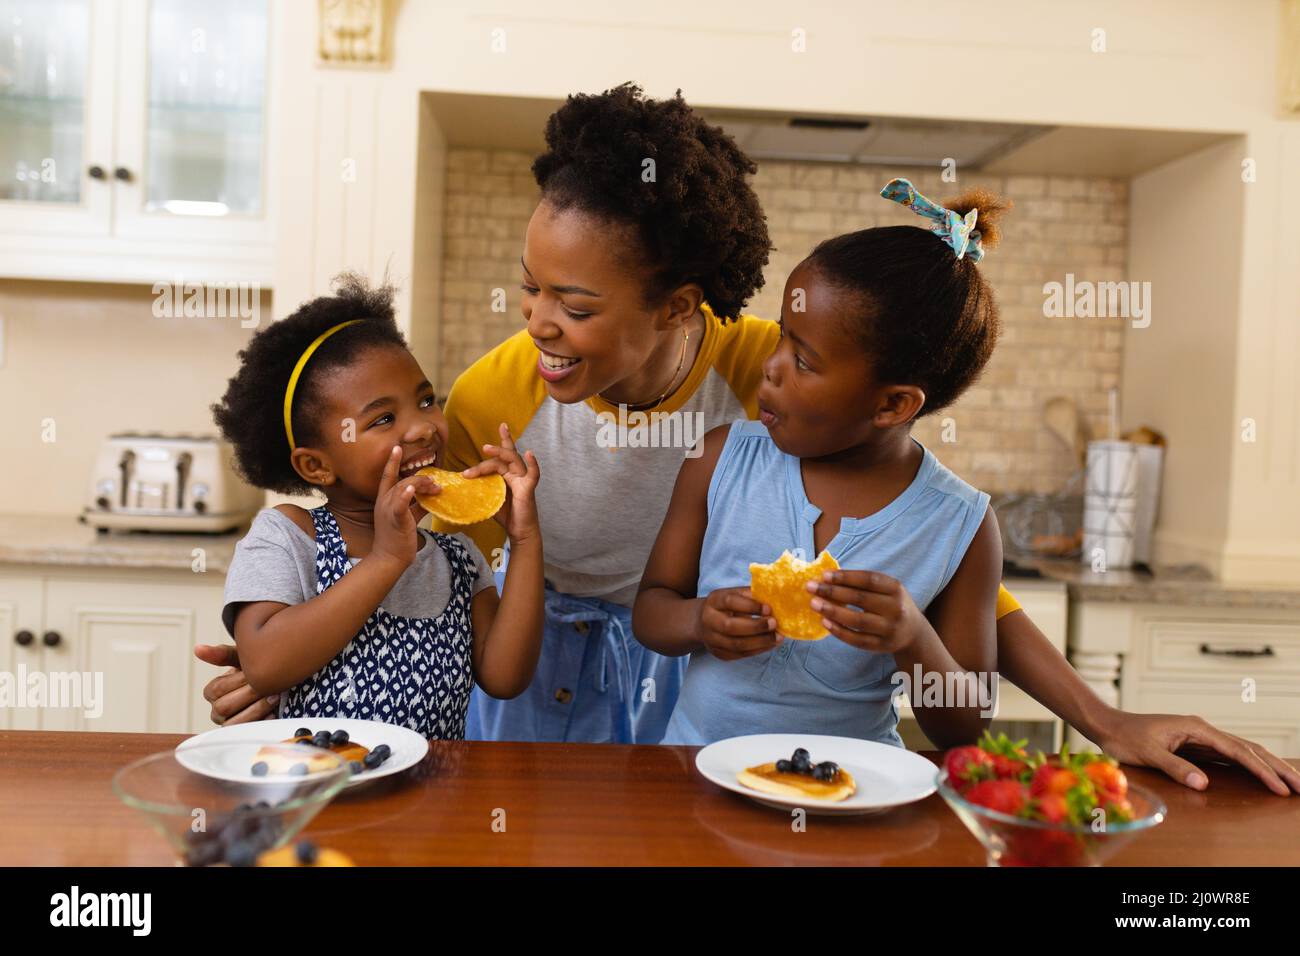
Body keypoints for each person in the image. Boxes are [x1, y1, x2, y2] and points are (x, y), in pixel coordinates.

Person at [197, 84, 1299, 795]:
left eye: (575, 305)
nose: (538, 324)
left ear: (679, 305)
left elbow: (943, 561)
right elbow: (378, 510)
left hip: (675, 683)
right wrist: (285, 654)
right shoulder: (503, 388)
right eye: (532, 289)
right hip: (530, 666)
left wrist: (1102, 719)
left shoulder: (769, 377)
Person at [637, 180, 1007, 748]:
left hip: (856, 795)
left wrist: (913, 640)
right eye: (783, 338)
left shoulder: (962, 524)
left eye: (803, 361)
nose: (771, 367)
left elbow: (965, 727)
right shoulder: (718, 460)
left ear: (892, 404)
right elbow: (652, 610)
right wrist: (699, 621)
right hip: (696, 780)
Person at [209, 274, 543, 738]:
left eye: (426, 400)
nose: (423, 427)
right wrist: (387, 558)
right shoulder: (288, 536)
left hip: (435, 804)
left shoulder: (459, 560)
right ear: (316, 465)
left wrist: (524, 540)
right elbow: (264, 664)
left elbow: (506, 678)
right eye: (384, 418)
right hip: (317, 798)